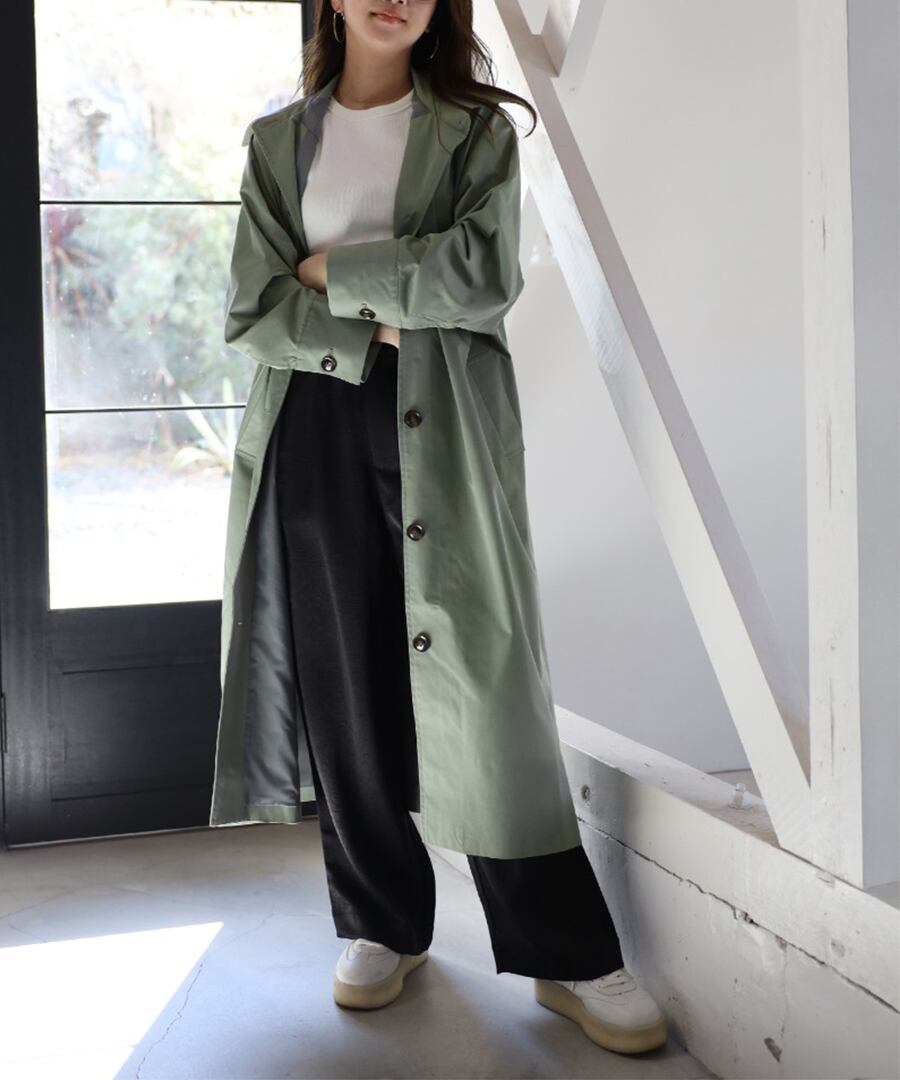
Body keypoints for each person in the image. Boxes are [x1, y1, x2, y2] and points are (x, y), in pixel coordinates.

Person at [220, 0, 667, 1055]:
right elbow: (253, 312)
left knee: (488, 681)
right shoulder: (277, 142)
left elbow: (481, 278)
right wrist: (387, 307)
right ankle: (382, 921)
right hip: (312, 424)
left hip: (446, 425)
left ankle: (566, 951)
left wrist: (331, 271)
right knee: (345, 679)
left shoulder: (477, 133)